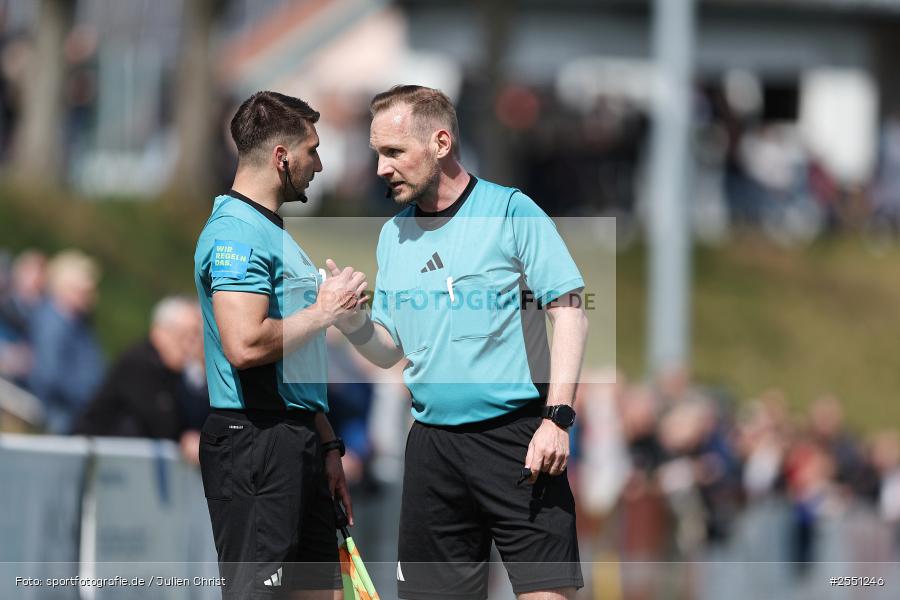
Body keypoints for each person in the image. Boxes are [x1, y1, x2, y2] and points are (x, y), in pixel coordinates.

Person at [332, 85, 588, 600]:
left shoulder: (512, 211)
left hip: (520, 441)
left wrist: (557, 420)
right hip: (432, 449)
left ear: (441, 142)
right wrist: (351, 321)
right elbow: (389, 349)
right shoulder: (393, 236)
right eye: (377, 152)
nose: (381, 167)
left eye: (394, 152)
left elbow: (570, 311)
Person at [193, 90, 367, 600]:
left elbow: (291, 360)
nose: (320, 163)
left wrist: (326, 440)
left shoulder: (273, 231)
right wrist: (326, 312)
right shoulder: (237, 233)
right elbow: (244, 344)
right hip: (254, 441)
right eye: (313, 149)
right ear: (281, 157)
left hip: (294, 439)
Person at [74, 296, 209, 463]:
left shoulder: (177, 373)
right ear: (160, 332)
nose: (190, 344)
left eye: (196, 337)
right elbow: (163, 424)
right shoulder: (139, 363)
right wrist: (186, 436)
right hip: (92, 462)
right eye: (184, 335)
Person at [28, 249, 104, 434]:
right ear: (66, 287)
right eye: (85, 290)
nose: (92, 296)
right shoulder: (52, 323)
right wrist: (91, 399)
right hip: (62, 418)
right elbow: (49, 376)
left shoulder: (79, 323)